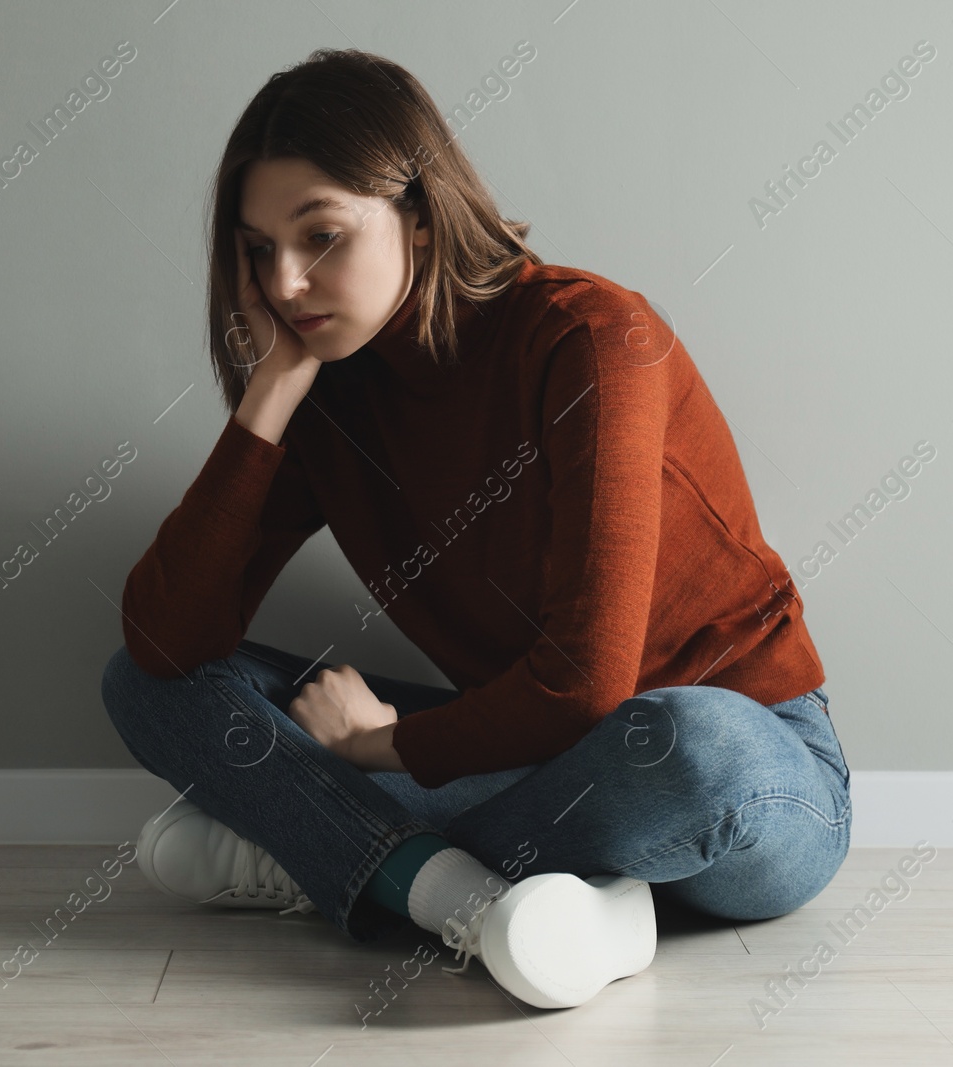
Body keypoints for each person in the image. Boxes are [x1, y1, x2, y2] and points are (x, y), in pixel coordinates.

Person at [99, 47, 851, 1012]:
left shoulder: (591, 338)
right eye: (258, 250)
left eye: (321, 235)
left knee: (686, 738)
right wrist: (272, 392)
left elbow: (587, 686)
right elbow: (167, 640)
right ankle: (512, 899)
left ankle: (338, 852)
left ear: (418, 211)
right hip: (524, 752)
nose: (285, 283)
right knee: (148, 685)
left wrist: (376, 749)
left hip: (746, 775)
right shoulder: (331, 395)